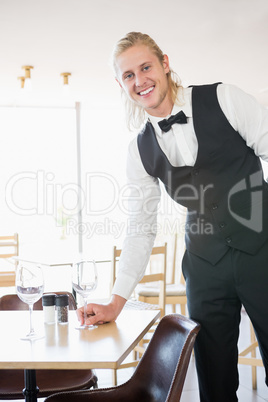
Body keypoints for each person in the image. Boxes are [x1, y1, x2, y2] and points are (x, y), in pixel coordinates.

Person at [77, 32, 268, 401]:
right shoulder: (139, 150)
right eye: (129, 75)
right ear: (121, 84)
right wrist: (117, 300)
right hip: (204, 267)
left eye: (145, 67)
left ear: (165, 63)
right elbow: (141, 227)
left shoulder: (224, 98)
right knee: (213, 381)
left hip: (263, 250)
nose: (140, 80)